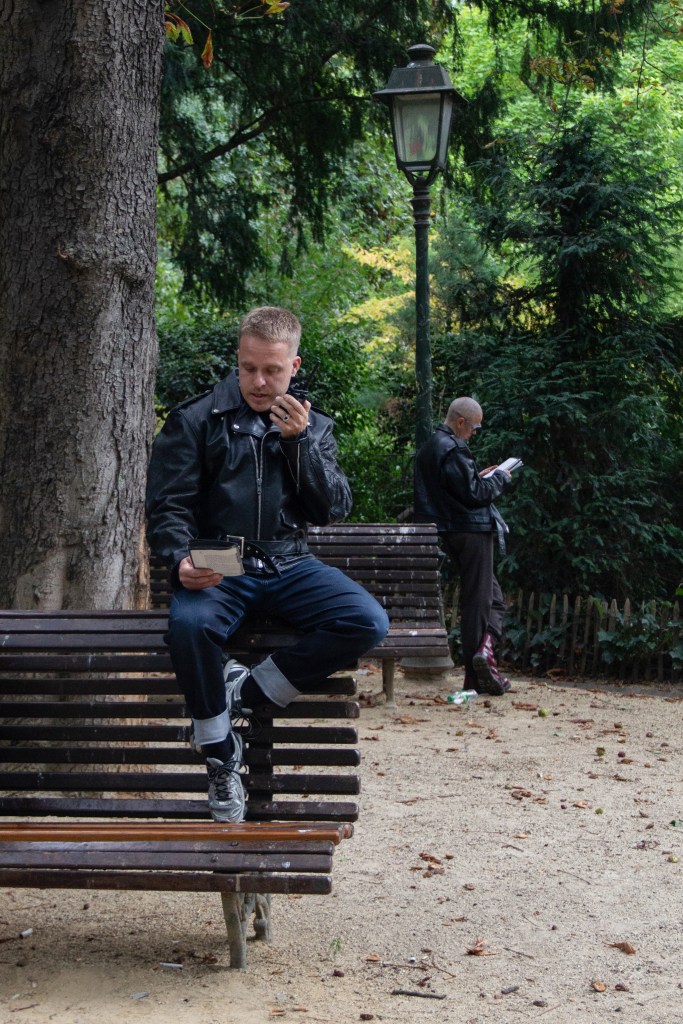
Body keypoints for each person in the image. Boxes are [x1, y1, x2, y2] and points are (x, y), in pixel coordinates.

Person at [146, 306, 389, 823]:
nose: (259, 381)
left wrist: (299, 444)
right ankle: (219, 756)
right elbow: (168, 507)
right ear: (237, 359)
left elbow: (330, 509)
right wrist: (180, 559)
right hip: (220, 559)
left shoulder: (313, 427)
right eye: (249, 368)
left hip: (287, 561)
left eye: (272, 370)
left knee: (367, 620)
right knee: (189, 625)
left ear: (293, 366)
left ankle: (248, 692)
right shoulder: (196, 419)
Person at [413, 396, 513, 696]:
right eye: (474, 427)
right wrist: (500, 479)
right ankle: (475, 673)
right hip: (470, 530)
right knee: (479, 600)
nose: (474, 433)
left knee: (493, 597)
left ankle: (485, 654)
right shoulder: (454, 448)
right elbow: (475, 495)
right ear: (460, 422)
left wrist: (477, 477)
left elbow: (454, 489)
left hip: (449, 529)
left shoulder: (430, 447)